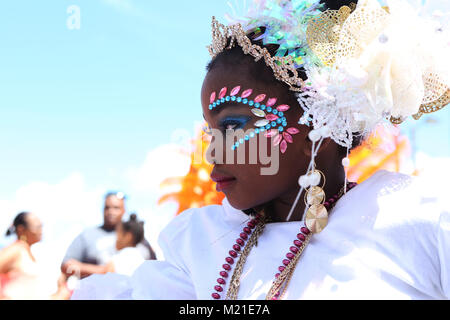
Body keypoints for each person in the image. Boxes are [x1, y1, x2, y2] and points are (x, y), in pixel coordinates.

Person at [71, 0, 449, 300]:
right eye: (210, 130)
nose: (212, 154)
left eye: (232, 126)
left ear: (319, 128)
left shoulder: (414, 222)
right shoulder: (200, 242)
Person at [61, 192, 156, 279]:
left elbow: (154, 269)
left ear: (124, 210)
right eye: (107, 207)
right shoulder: (87, 235)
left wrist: (106, 271)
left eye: (116, 208)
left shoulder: (136, 236)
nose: (110, 212)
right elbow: (67, 265)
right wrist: (105, 271)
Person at [0, 212, 70, 299]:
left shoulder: (27, 252)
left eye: (41, 226)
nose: (41, 230)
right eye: (37, 227)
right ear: (21, 229)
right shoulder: (16, 250)